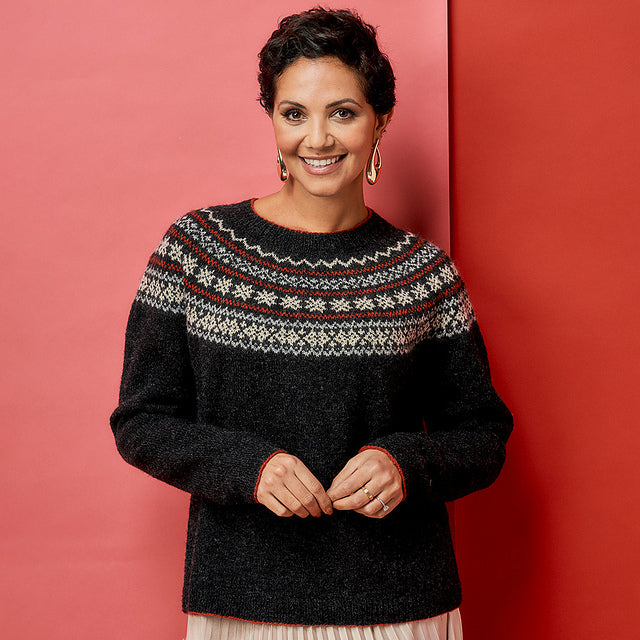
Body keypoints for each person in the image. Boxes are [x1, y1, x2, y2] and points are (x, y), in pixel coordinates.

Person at [110, 8, 513, 640]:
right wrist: (249, 467)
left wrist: (406, 462)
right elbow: (140, 421)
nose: (317, 139)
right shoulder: (197, 250)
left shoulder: (423, 272)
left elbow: (483, 435)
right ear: (271, 119)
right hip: (243, 605)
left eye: (343, 113)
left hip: (400, 606)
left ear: (381, 121)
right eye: (294, 113)